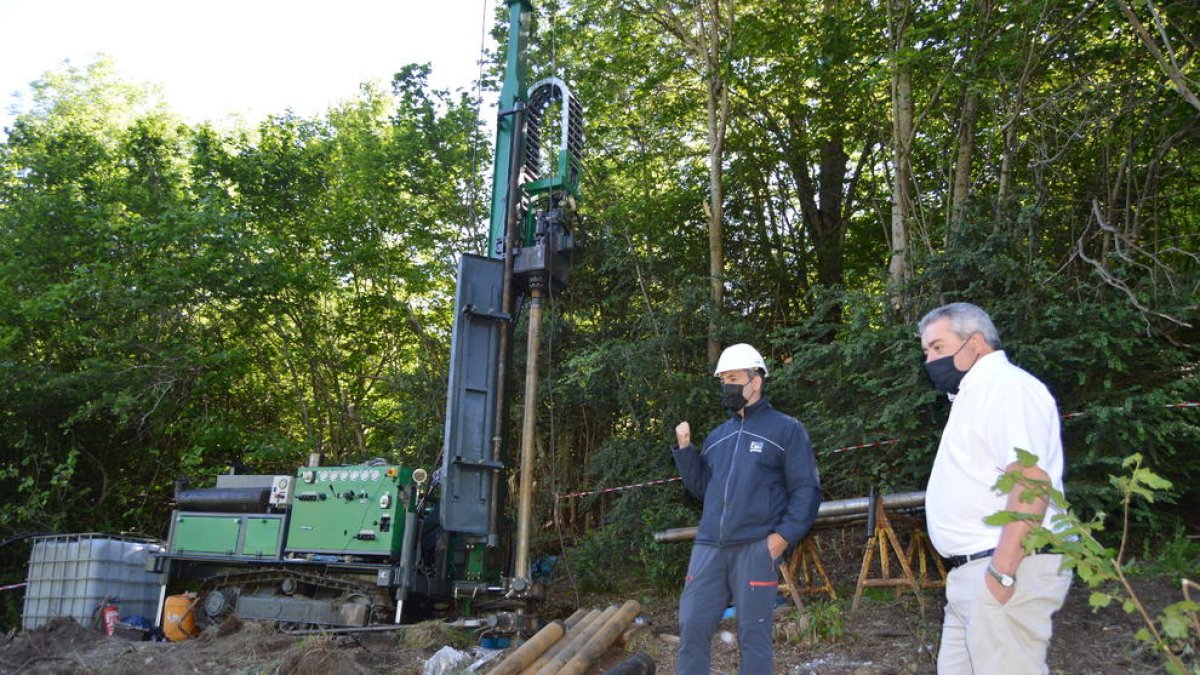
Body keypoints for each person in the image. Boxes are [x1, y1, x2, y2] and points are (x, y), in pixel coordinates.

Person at [918, 302, 1073, 675]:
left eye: (938, 347)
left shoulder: (1007, 388)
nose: (929, 360)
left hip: (1003, 567)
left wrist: (1002, 573)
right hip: (969, 574)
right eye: (925, 352)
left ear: (975, 343)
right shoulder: (971, 395)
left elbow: (1032, 481)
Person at [672, 343, 822, 674]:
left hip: (755, 548)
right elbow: (703, 490)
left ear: (756, 381)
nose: (727, 385)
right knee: (693, 627)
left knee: (754, 637)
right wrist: (685, 450)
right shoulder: (717, 437)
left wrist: (781, 538)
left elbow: (807, 491)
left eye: (734, 377)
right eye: (723, 379)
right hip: (709, 547)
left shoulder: (787, 430)